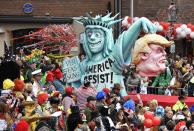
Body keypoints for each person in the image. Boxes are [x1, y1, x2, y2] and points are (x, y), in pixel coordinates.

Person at [73, 13, 156, 96]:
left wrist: (138, 24)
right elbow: (76, 88)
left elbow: (124, 42)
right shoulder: (83, 64)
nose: (92, 38)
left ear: (106, 37)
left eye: (97, 34)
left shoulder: (113, 59)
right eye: (89, 34)